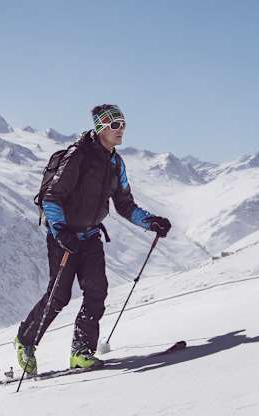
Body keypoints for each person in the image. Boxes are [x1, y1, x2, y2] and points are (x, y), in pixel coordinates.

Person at [15, 104, 171, 374]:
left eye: (122, 124)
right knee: (58, 296)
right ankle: (25, 341)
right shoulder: (78, 157)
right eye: (115, 125)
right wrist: (61, 231)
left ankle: (81, 351)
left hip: (90, 237)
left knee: (96, 291)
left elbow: (125, 204)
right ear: (101, 128)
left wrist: (151, 221)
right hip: (64, 238)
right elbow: (52, 197)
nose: (120, 129)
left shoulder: (115, 163)